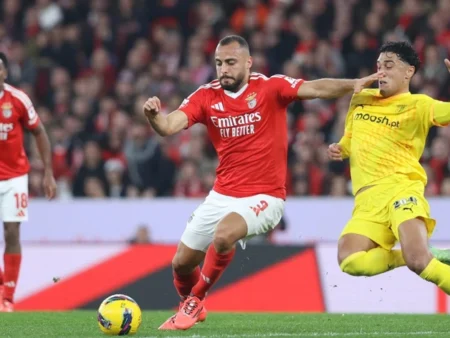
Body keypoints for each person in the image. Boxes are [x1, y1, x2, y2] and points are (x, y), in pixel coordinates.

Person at [144, 35, 381, 331]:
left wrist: (353, 84)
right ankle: (191, 303)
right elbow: (168, 127)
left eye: (230, 62)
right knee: (181, 263)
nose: (223, 69)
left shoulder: (271, 87)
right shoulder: (205, 96)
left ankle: (195, 300)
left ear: (248, 62)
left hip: (266, 196)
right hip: (222, 194)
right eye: (218, 63)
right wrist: (154, 116)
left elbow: (317, 87)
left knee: (223, 235)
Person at [327, 41, 450, 295]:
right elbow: (351, 138)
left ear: (409, 72)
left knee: (419, 261)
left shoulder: (420, 105)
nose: (381, 72)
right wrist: (341, 148)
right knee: (350, 260)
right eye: (379, 65)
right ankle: (421, 254)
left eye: (389, 65)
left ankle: (418, 255)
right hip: (367, 200)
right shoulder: (361, 98)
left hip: (400, 189)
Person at [0, 52, 56, 311]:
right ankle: (3, 283)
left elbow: (39, 132)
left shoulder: (18, 99)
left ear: (5, 72)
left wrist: (47, 172)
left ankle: (8, 299)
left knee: (12, 232)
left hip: (14, 177)